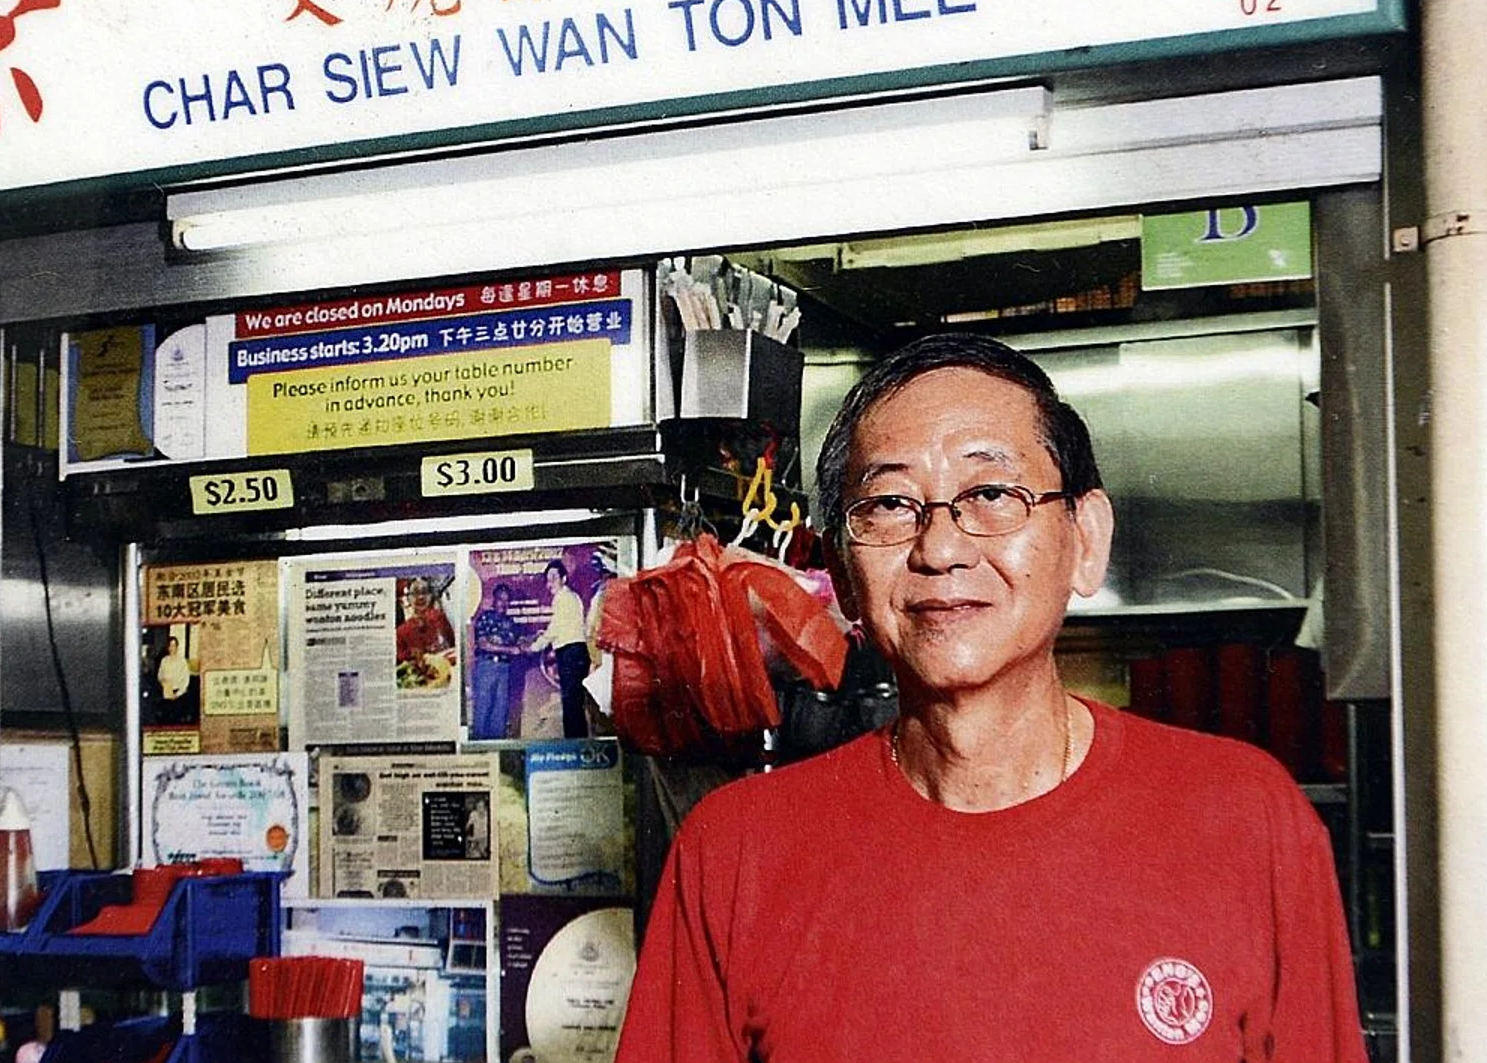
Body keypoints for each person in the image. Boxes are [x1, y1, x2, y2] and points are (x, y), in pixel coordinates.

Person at [615, 332, 1365, 1062]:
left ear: (1085, 539)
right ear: (842, 574)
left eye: (991, 493)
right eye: (890, 505)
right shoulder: (735, 854)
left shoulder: (1244, 819)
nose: (940, 548)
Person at [526, 559, 590, 737]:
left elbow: (555, 629)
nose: (550, 582)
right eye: (548, 579)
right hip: (575, 651)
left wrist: (535, 647)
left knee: (571, 703)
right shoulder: (570, 596)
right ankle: (577, 742)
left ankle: (575, 745)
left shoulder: (563, 598)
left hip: (571, 652)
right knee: (574, 702)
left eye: (554, 577)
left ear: (564, 578)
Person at [469, 584, 524, 739]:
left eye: (507, 601)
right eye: (500, 599)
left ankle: (496, 754)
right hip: (486, 667)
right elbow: (483, 644)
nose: (503, 604)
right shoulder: (485, 617)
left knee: (500, 713)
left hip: (504, 669)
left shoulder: (511, 623)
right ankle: (479, 755)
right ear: (494, 599)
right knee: (483, 710)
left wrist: (532, 642)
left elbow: (520, 642)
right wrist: (510, 650)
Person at [395, 579, 454, 665]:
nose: (420, 597)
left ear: (431, 596)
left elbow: (454, 645)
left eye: (425, 592)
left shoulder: (441, 618)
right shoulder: (400, 633)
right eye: (415, 592)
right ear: (408, 598)